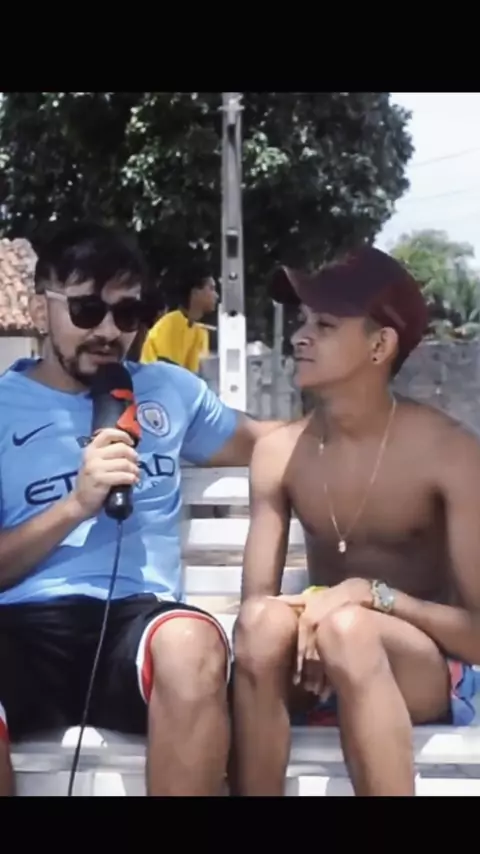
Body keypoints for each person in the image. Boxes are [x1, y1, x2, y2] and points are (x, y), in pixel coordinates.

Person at [0, 222, 280, 797]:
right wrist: (76, 506)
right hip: (25, 626)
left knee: (193, 644)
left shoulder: (169, 391)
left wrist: (382, 426)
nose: (108, 331)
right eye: (86, 310)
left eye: (127, 314)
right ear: (39, 309)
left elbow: (273, 442)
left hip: (139, 622)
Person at [232, 246, 480, 797]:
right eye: (301, 321)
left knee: (350, 629)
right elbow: (255, 616)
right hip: (317, 661)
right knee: (262, 625)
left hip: (429, 668)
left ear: (379, 345)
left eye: (324, 325)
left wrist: (370, 596)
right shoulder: (278, 453)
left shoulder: (450, 453)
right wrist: (310, 618)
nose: (299, 337)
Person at [140, 264, 217, 372]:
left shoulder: (201, 332)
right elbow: (170, 374)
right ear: (195, 292)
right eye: (211, 289)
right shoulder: (171, 325)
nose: (216, 295)